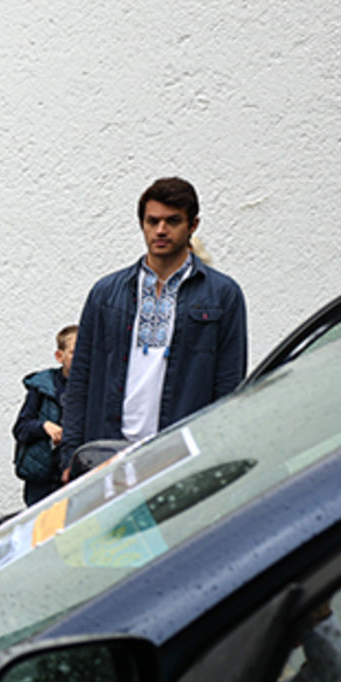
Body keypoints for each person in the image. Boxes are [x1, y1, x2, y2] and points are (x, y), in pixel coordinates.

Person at [62, 176, 248, 476]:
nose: (160, 230)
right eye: (153, 221)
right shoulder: (106, 293)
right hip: (108, 453)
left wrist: (217, 455)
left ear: (193, 225)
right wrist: (70, 455)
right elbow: (80, 378)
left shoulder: (222, 295)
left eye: (172, 221)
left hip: (180, 456)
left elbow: (229, 386)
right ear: (142, 224)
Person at [13, 324, 77, 507]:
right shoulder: (42, 387)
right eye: (74, 352)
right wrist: (44, 426)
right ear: (60, 356)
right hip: (42, 480)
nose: (81, 358)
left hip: (75, 478)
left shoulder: (95, 389)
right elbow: (20, 429)